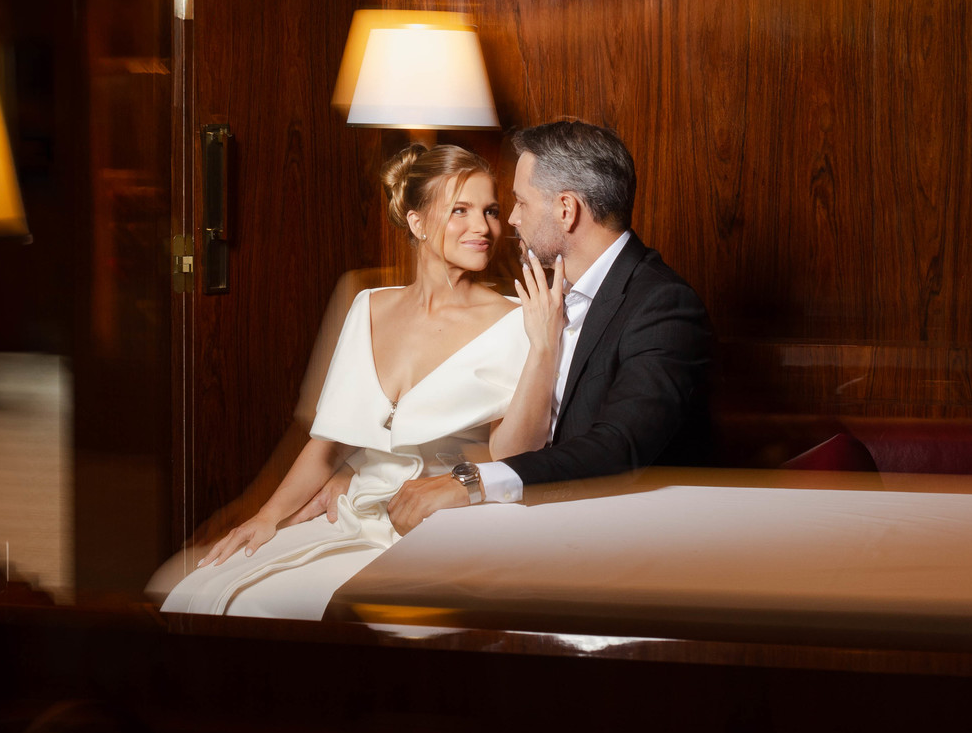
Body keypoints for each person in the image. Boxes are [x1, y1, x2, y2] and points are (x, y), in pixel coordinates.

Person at [158, 142, 564, 618]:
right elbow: (328, 444)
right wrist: (267, 517)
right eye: (461, 210)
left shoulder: (519, 320)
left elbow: (513, 457)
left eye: (491, 211)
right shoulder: (369, 306)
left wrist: (543, 348)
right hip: (355, 512)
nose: (484, 227)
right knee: (200, 588)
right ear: (416, 221)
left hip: (442, 522)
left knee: (295, 608)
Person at [386, 119, 712, 534]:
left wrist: (472, 483)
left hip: (615, 532)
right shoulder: (545, 297)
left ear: (565, 210)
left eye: (521, 203)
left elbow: (618, 447)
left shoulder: (663, 305)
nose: (511, 220)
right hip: (532, 519)